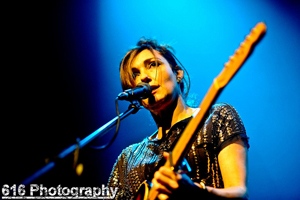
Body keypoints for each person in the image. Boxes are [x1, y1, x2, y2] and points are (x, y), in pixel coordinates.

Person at [107, 38, 249, 200]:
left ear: (178, 73)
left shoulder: (217, 117)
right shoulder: (128, 158)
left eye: (152, 65)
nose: (143, 78)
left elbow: (240, 194)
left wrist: (195, 191)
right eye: (135, 74)